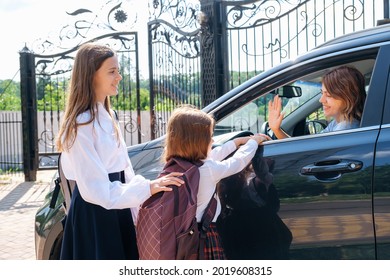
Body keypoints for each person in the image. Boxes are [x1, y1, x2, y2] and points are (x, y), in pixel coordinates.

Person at [56, 43, 184, 260]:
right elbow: (96, 189)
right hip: (96, 215)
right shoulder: (80, 125)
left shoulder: (108, 115)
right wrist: (146, 188)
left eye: (118, 70)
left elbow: (124, 169)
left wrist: (141, 202)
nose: (120, 77)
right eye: (112, 71)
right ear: (91, 75)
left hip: (117, 208)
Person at [161, 105, 271, 259]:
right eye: (210, 136)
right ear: (198, 141)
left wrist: (236, 142)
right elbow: (238, 162)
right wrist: (253, 142)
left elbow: (212, 156)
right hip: (202, 237)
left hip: (182, 238)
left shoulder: (175, 165)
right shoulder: (208, 170)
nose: (212, 140)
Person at [268, 65, 367, 139]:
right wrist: (276, 129)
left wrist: (276, 130)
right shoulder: (338, 123)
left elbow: (306, 156)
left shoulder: (344, 129)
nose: (321, 100)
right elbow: (306, 150)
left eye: (328, 95)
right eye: (322, 93)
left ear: (348, 96)